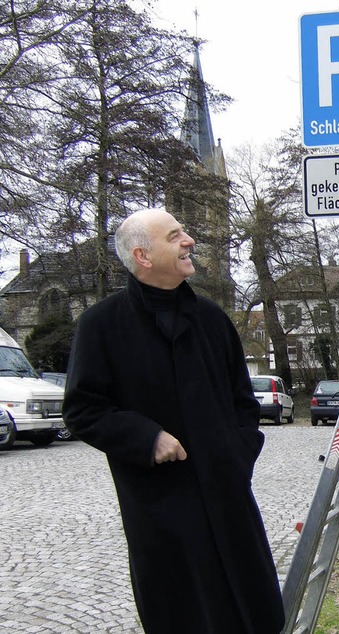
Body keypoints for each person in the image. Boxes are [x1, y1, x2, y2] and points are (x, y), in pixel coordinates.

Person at [62, 208, 285, 634]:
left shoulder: (212, 318)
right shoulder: (101, 325)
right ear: (143, 256)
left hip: (228, 496)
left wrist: (237, 453)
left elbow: (244, 401)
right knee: (183, 612)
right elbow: (82, 409)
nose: (189, 241)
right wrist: (147, 438)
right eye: (175, 235)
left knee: (252, 611)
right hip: (160, 504)